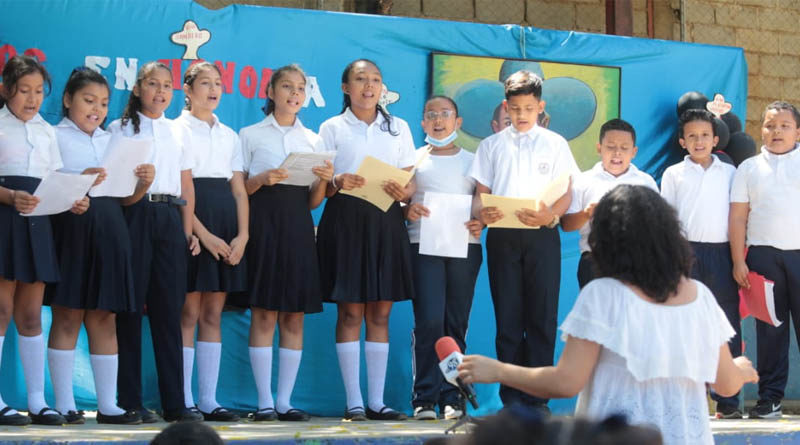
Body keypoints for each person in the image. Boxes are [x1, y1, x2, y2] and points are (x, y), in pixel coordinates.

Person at [458, 185, 759, 445]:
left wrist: (498, 370)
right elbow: (725, 384)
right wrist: (741, 370)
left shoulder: (603, 294)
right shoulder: (699, 296)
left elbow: (566, 382)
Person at [470, 70, 579, 411]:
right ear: (506, 106)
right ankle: (512, 399)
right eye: (515, 109)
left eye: (528, 108)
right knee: (509, 317)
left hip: (542, 236)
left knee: (542, 316)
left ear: (540, 107)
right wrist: (482, 214)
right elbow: (480, 194)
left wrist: (551, 216)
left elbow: (567, 192)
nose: (521, 115)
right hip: (503, 237)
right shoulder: (490, 146)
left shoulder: (556, 144)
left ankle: (538, 399)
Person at [46, 67, 148, 425]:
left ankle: (109, 405)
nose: (97, 109)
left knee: (105, 316)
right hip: (70, 229)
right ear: (67, 100)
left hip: (110, 228)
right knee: (68, 313)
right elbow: (45, 187)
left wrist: (141, 185)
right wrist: (78, 184)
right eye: (89, 101)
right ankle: (63, 404)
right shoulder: (53, 136)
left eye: (104, 103)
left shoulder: (112, 140)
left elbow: (125, 199)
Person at [316, 58, 415, 421]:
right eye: (360, 80)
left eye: (375, 80)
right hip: (345, 220)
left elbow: (411, 181)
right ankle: (354, 402)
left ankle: (377, 402)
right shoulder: (331, 127)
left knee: (381, 310)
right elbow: (322, 187)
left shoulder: (399, 128)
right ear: (346, 88)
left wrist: (402, 189)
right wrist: (338, 181)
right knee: (350, 309)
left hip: (386, 219)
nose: (368, 86)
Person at [235, 64, 332, 422]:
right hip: (262, 227)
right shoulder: (250, 134)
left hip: (298, 229)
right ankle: (263, 403)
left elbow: (313, 201)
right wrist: (261, 179)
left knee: (294, 316)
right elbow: (239, 190)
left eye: (300, 88)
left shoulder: (313, 140)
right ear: (271, 90)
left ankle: (284, 402)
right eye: (287, 86)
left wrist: (323, 180)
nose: (294, 93)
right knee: (263, 313)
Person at [108, 61, 202, 423]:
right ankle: (129, 400)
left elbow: (187, 184)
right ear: (137, 88)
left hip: (169, 218)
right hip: (132, 216)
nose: (161, 92)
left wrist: (188, 229)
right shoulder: (120, 129)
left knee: (169, 312)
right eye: (152, 84)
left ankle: (175, 403)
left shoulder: (178, 131)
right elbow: (113, 184)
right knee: (130, 310)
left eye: (167, 86)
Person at [0, 55, 89, 426]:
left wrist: (74, 199)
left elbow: (53, 179)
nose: (32, 99)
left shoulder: (46, 131)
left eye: (39, 91)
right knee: (1, 311)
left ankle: (37, 401)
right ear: (6, 90)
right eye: (24, 91)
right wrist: (8, 197)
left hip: (38, 223)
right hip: (4, 218)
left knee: (32, 315)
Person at [176, 61, 247, 422]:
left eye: (218, 83)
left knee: (213, 313)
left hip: (226, 223)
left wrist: (243, 235)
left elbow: (238, 189)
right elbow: (181, 187)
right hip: (192, 220)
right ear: (187, 90)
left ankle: (208, 399)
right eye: (205, 83)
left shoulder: (229, 135)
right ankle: (183, 399)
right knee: (188, 311)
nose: (213, 89)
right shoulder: (176, 130)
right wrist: (201, 234)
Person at [405, 96, 483, 420]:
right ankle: (424, 397)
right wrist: (406, 209)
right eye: (431, 115)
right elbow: (401, 197)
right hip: (423, 245)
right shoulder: (412, 158)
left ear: (458, 122)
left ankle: (454, 396)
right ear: (423, 123)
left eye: (445, 114)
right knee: (429, 322)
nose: (438, 120)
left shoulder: (474, 160)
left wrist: (482, 219)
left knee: (455, 324)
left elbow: (482, 201)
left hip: (465, 247)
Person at [660, 109, 741, 418]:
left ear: (715, 139)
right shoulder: (673, 174)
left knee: (726, 325)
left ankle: (728, 401)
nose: (699, 141)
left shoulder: (730, 173)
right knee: (685, 325)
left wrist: (736, 259)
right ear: (682, 142)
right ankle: (688, 401)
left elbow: (737, 217)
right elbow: (666, 219)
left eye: (705, 135)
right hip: (686, 255)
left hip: (721, 255)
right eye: (692, 136)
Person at [730, 101, 800, 419]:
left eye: (784, 125)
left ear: (797, 131)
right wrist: (737, 260)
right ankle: (770, 399)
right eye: (770, 125)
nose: (776, 132)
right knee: (770, 332)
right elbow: (738, 218)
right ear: (762, 129)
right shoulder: (748, 168)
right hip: (762, 258)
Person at [561, 118, 657, 289]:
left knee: (631, 314)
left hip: (635, 261)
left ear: (634, 151)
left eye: (624, 148)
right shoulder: (583, 180)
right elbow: (566, 225)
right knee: (595, 314)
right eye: (610, 147)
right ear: (599, 148)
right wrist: (587, 213)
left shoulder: (645, 181)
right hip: (594, 261)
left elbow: (658, 226)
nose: (617, 153)